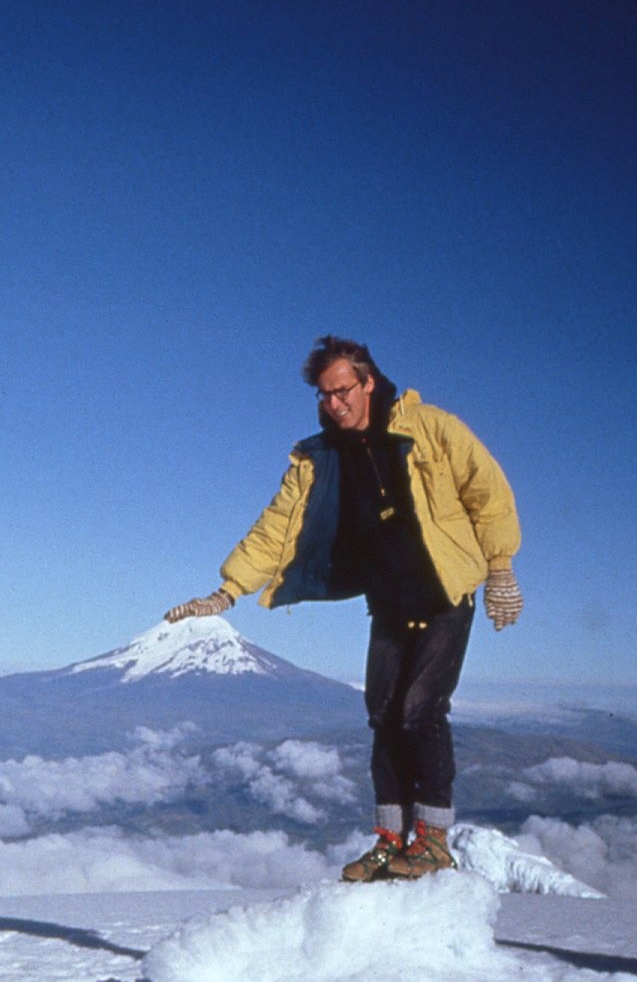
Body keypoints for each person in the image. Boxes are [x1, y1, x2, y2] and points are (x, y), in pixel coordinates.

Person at [164, 335, 522, 882]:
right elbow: (276, 528)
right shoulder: (318, 459)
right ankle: (388, 838)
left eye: (342, 390)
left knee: (419, 708)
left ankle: (431, 839)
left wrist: (500, 567)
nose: (334, 403)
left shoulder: (431, 428)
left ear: (368, 382)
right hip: (389, 602)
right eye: (324, 396)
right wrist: (226, 590)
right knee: (382, 713)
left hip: (445, 593)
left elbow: (487, 492)